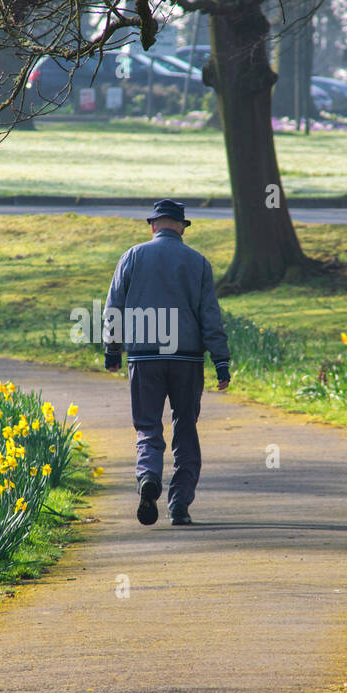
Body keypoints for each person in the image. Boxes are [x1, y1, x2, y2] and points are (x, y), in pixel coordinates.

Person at [104, 199, 231, 526]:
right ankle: (179, 504)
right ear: (181, 227)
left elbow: (113, 307)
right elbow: (210, 317)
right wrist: (221, 362)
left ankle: (148, 477)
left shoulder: (132, 257)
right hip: (186, 359)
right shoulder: (198, 262)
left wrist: (112, 351)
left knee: (147, 426)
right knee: (185, 426)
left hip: (144, 357)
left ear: (153, 226)